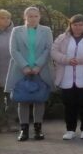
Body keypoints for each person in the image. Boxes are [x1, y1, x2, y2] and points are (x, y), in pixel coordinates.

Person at [6, 7, 55, 141]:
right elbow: (14, 50)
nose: (33, 19)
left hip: (41, 69)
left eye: (36, 16)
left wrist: (38, 65)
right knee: (23, 100)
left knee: (40, 99)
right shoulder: (17, 31)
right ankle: (24, 130)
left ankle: (38, 129)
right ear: (25, 17)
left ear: (39, 17)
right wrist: (25, 66)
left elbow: (48, 49)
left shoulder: (46, 30)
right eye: (30, 16)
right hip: (22, 70)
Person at [52, 15, 83, 140]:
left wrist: (80, 60)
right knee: (69, 105)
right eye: (75, 25)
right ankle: (70, 130)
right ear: (70, 25)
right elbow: (54, 51)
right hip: (67, 78)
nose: (78, 27)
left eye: (80, 25)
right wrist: (67, 60)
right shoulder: (62, 38)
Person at [0, 10, 14, 133]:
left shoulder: (15, 33)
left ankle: (12, 123)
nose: (6, 20)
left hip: (12, 72)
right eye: (3, 18)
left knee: (12, 100)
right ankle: (1, 123)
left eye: (8, 18)